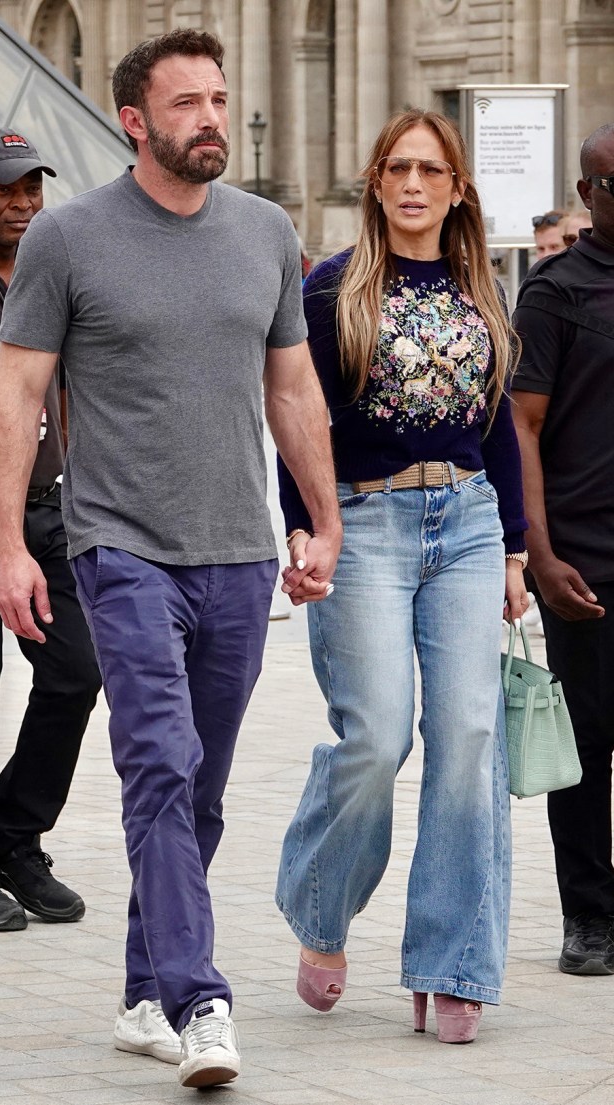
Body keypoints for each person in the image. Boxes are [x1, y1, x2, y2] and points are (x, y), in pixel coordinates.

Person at [0, 30, 341, 1090]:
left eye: (219, 97)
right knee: (159, 763)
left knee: (203, 789)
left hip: (235, 547)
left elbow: (291, 390)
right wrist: (10, 545)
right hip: (118, 542)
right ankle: (199, 997)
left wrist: (319, 520)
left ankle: (144, 988)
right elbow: (15, 398)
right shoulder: (71, 239)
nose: (211, 117)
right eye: (186, 102)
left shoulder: (266, 233)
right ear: (134, 120)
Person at [276, 109, 529, 1044]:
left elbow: (498, 422)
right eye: (398, 169)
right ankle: (321, 905)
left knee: (468, 735)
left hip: (464, 521)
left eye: (432, 170)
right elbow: (295, 412)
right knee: (377, 736)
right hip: (365, 520)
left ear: (458, 188)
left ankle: (452, 964)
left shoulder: (484, 289)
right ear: (376, 184)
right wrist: (309, 527)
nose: (415, 184)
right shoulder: (330, 290)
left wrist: (512, 545)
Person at [0, 128, 101, 933]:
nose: (24, 201)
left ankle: (12, 834)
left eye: (33, 185)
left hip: (46, 511)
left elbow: (62, 393)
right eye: (5, 187)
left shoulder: (52, 275)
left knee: (78, 670)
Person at [512, 122, 614, 976]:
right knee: (587, 742)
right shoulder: (557, 291)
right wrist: (538, 554)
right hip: (584, 556)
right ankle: (590, 917)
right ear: (588, 196)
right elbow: (523, 427)